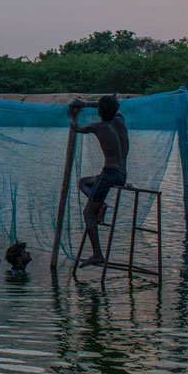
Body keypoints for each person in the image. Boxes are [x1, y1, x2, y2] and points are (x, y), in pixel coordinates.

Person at [69, 94, 129, 266]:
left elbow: (76, 128)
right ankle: (100, 204)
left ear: (100, 111)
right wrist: (94, 105)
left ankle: (97, 253)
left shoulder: (99, 127)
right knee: (83, 182)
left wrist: (72, 113)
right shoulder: (120, 120)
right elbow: (110, 108)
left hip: (109, 174)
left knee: (88, 213)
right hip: (121, 174)